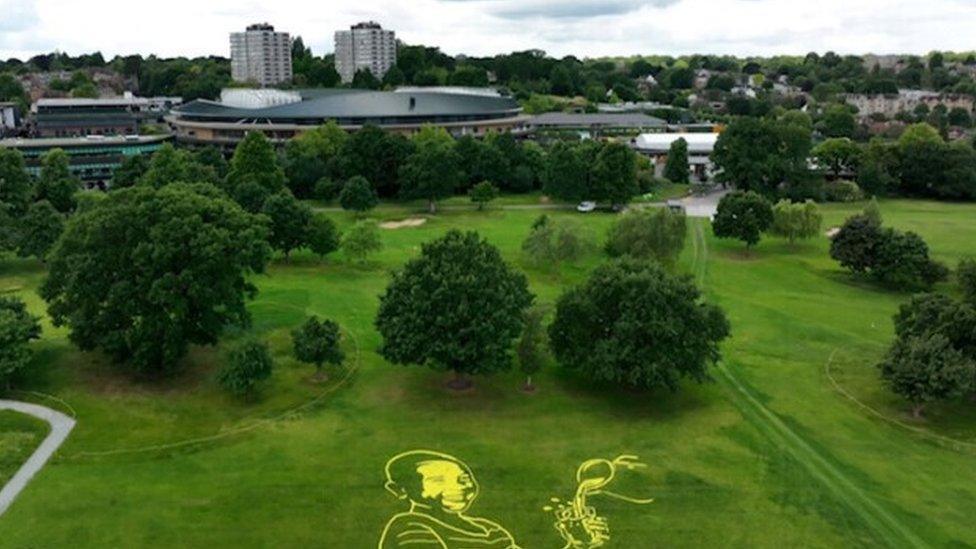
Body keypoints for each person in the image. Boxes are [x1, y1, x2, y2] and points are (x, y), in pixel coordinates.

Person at [379, 450, 521, 548]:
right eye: (438, 479)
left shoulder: (490, 530)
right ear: (400, 490)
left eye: (463, 479)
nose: (457, 486)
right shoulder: (410, 526)